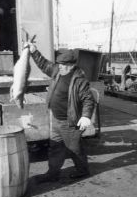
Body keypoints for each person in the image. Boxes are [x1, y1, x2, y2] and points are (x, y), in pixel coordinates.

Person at [25, 43, 95, 183]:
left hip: (69, 122)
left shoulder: (79, 80)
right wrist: (34, 52)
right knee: (55, 147)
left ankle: (83, 171)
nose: (59, 66)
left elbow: (88, 99)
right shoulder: (58, 71)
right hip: (56, 119)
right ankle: (52, 174)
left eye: (62, 65)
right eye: (59, 64)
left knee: (74, 148)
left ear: (70, 66)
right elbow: (44, 65)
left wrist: (86, 116)